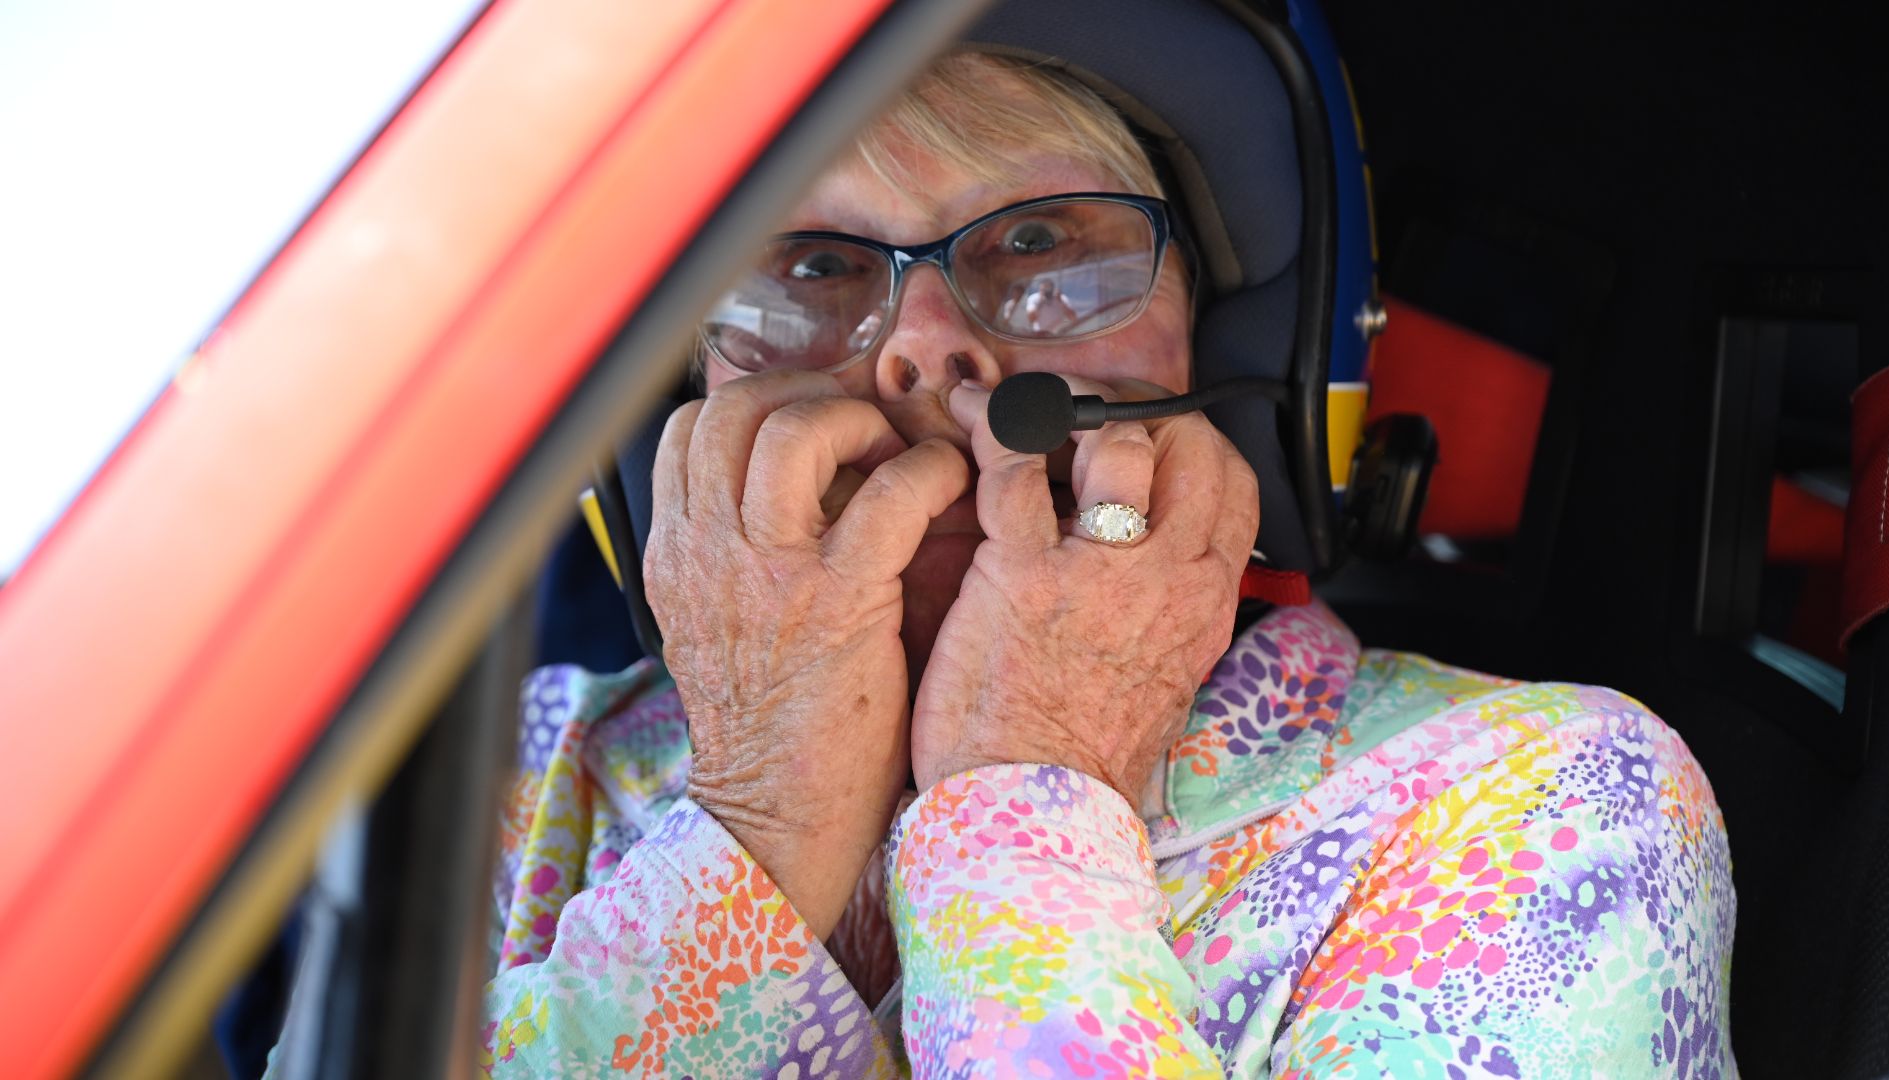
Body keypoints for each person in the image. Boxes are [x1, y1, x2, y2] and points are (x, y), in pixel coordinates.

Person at [479, 52, 1735, 1078]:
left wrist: (1026, 809)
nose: (922, 351)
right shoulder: (514, 778)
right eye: (810, 267)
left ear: (1245, 346)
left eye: (1036, 243)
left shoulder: (1541, 802)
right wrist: (759, 819)